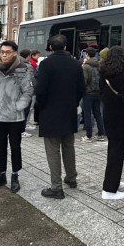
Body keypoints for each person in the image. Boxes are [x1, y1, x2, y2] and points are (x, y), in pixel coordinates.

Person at [36, 34, 85, 199]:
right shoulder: (76, 63)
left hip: (50, 112)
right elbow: (81, 89)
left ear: (50, 47)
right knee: (68, 146)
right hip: (69, 111)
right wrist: (73, 103)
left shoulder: (45, 64)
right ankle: (71, 178)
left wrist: (40, 108)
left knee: (53, 150)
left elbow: (40, 90)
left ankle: (56, 187)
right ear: (65, 47)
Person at [0, 41, 34, 194]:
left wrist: (18, 106)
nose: (4, 54)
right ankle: (1, 175)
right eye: (2, 51)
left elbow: (28, 91)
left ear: (14, 53)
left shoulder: (23, 69)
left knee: (15, 147)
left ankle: (14, 175)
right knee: (0, 148)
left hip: (15, 117)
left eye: (7, 52)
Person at [99, 46, 124, 200]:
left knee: (114, 150)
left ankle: (113, 181)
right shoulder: (122, 75)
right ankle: (109, 189)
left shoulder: (103, 73)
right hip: (122, 118)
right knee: (117, 153)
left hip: (109, 115)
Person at [81, 47, 106, 142]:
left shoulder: (86, 66)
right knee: (98, 114)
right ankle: (100, 134)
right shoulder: (100, 65)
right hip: (98, 93)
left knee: (87, 114)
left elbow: (84, 81)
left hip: (88, 93)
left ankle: (88, 136)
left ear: (87, 55)